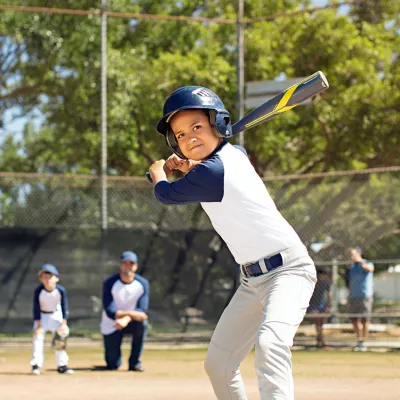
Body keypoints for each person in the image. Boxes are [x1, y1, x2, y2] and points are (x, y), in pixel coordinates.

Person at [148, 86, 317, 400]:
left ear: (218, 124)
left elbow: (166, 194)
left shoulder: (213, 172)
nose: (190, 138)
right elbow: (213, 169)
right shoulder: (232, 154)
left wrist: (158, 172)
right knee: (219, 364)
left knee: (271, 344)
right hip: (251, 281)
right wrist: (190, 166)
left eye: (197, 127)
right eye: (181, 135)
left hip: (288, 272)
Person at [101, 251, 149, 371]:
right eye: (125, 263)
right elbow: (110, 311)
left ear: (136, 266)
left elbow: (142, 309)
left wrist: (127, 319)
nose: (127, 267)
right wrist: (129, 316)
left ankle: (135, 363)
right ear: (120, 265)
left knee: (142, 324)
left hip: (131, 322)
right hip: (112, 323)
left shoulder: (142, 284)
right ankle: (114, 359)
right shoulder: (109, 283)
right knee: (112, 365)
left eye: (131, 264)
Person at [30, 264, 74, 375]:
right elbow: (36, 308)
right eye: (44, 277)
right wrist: (39, 326)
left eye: (50, 277)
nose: (47, 279)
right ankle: (36, 365)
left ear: (56, 278)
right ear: (41, 279)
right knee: (38, 337)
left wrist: (63, 324)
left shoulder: (60, 290)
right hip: (42, 316)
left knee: (61, 338)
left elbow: (65, 307)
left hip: (56, 315)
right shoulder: (38, 291)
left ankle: (62, 365)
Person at [347, 247, 374, 352]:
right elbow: (350, 283)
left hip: (365, 296)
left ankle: (364, 342)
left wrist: (360, 261)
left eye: (353, 254)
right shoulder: (352, 267)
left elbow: (370, 270)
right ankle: (359, 341)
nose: (351, 257)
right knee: (354, 320)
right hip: (353, 296)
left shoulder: (367, 263)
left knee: (364, 319)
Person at [307, 268, 332, 348]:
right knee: (317, 322)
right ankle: (320, 339)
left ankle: (320, 340)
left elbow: (329, 295)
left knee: (321, 323)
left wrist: (328, 305)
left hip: (322, 305)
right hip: (313, 305)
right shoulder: (313, 282)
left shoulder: (326, 283)